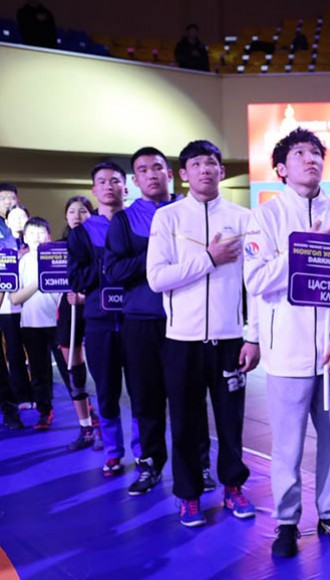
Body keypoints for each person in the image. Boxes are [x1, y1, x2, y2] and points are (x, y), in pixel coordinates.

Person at [243, 128, 330, 557]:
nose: (311, 159)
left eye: (316, 152)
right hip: (287, 353)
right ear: (280, 168)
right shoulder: (266, 217)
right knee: (287, 445)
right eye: (299, 153)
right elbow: (256, 279)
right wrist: (305, 250)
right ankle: (287, 522)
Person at [146, 140, 260, 527]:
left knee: (231, 420)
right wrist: (209, 258)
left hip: (230, 340)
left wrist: (253, 335)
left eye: (211, 163)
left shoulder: (243, 218)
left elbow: (254, 283)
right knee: (184, 421)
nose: (205, 170)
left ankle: (233, 486)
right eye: (196, 164)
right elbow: (157, 278)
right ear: (183, 174)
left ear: (222, 171)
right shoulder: (168, 218)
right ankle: (189, 494)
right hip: (182, 340)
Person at [105, 146, 215, 496]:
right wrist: (156, 258)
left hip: (187, 320)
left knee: (191, 398)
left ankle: (200, 464)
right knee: (146, 397)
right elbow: (113, 271)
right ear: (135, 180)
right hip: (141, 321)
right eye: (142, 170)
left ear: (170, 174)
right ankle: (150, 463)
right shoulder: (124, 221)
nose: (151, 174)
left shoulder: (190, 211)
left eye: (157, 167)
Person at [68, 162, 140, 478]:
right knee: (107, 391)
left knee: (141, 390)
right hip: (99, 324)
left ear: (126, 186)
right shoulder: (82, 233)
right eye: (102, 181)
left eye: (115, 180)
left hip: (138, 320)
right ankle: (113, 453)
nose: (109, 186)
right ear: (94, 190)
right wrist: (107, 267)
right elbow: (76, 278)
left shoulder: (140, 224)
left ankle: (144, 453)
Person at [56, 196, 100, 451]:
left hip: (94, 306)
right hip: (68, 309)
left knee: (101, 371)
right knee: (74, 371)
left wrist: (85, 297)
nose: (77, 216)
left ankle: (104, 425)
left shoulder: (101, 242)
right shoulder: (56, 248)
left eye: (82, 211)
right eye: (71, 211)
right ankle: (86, 426)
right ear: (65, 216)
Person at [10, 217, 60, 430]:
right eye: (31, 233)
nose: (36, 237)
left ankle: (87, 413)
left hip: (59, 323)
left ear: (49, 235)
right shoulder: (22, 262)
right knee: (39, 372)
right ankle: (44, 412)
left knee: (69, 370)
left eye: (41, 232)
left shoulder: (59, 257)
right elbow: (15, 298)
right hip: (31, 325)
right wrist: (41, 279)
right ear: (25, 237)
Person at [0, 184, 32, 429]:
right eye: (3, 198)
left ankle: (22, 399)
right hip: (4, 303)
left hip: (24, 302)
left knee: (20, 351)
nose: (9, 202)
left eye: (12, 198)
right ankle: (10, 405)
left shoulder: (28, 229)